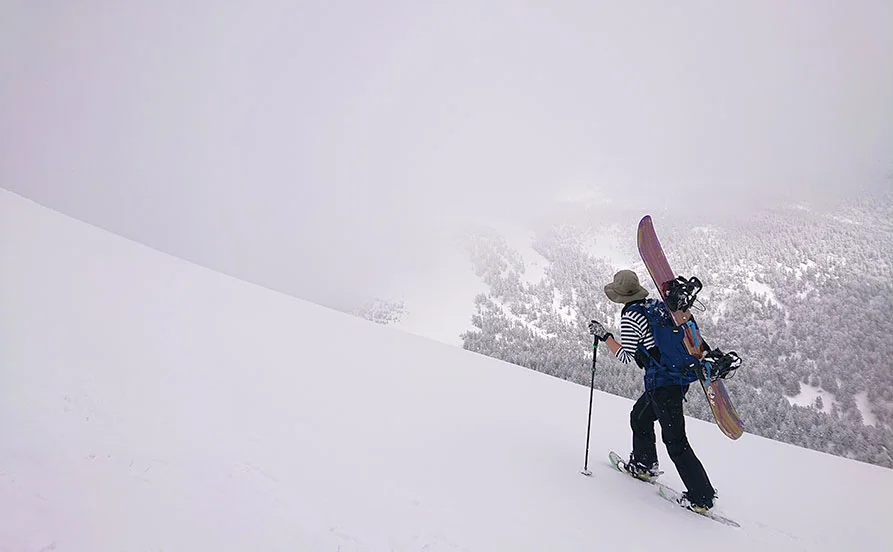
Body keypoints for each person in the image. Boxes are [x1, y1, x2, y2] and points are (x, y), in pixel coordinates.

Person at [588, 269, 732, 512]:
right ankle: (644, 465)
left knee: (675, 440)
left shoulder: (631, 316)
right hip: (674, 378)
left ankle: (702, 497)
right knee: (640, 416)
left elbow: (626, 356)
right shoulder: (655, 306)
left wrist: (606, 336)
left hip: (663, 384)